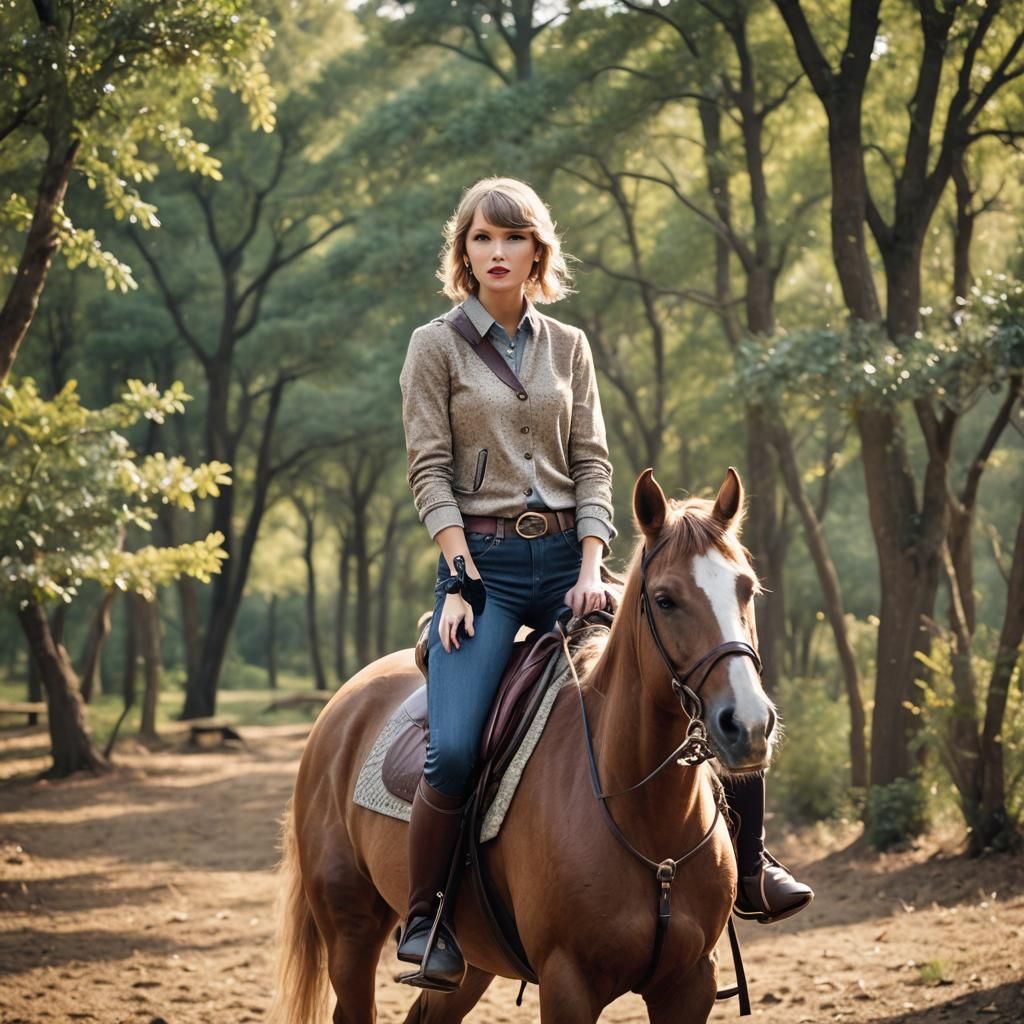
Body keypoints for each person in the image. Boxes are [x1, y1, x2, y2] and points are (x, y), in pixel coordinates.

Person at [397, 177, 810, 992]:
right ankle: (428, 918)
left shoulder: (570, 347)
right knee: (450, 749)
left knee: (705, 668)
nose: (497, 253)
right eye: (481, 239)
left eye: (512, 239)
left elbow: (593, 464)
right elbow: (429, 468)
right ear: (464, 253)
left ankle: (751, 867)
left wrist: (594, 570)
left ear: (537, 251)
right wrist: (456, 574)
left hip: (571, 561)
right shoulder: (433, 346)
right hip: (482, 571)